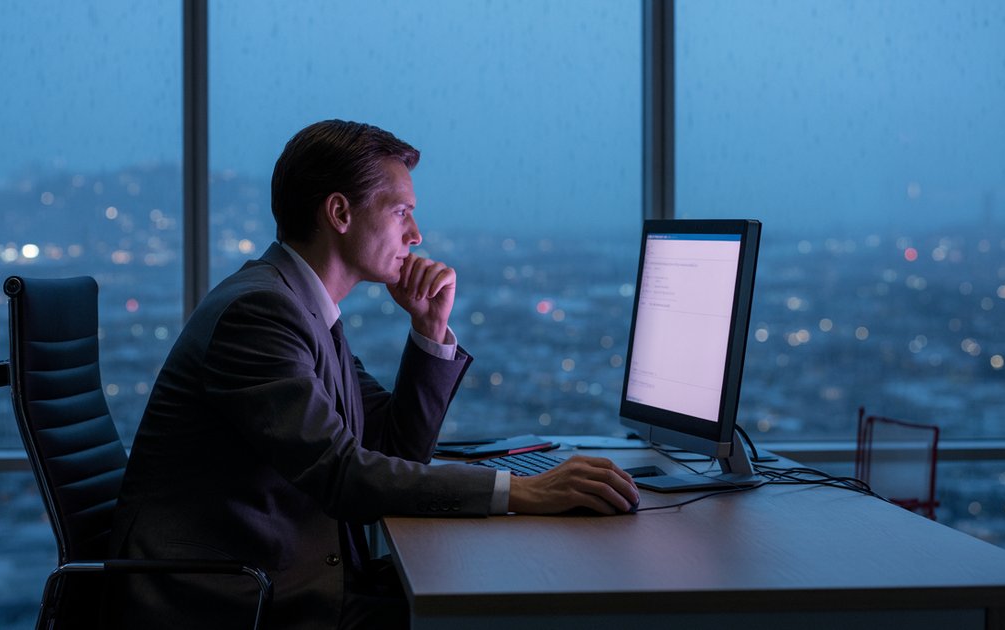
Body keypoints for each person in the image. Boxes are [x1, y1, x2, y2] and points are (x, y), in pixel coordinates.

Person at [107, 120, 639, 629]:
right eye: (401, 211)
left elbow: (392, 449)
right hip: (235, 601)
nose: (415, 233)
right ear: (340, 212)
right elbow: (342, 476)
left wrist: (430, 329)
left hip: (284, 577)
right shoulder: (261, 314)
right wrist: (523, 492)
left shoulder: (302, 308)